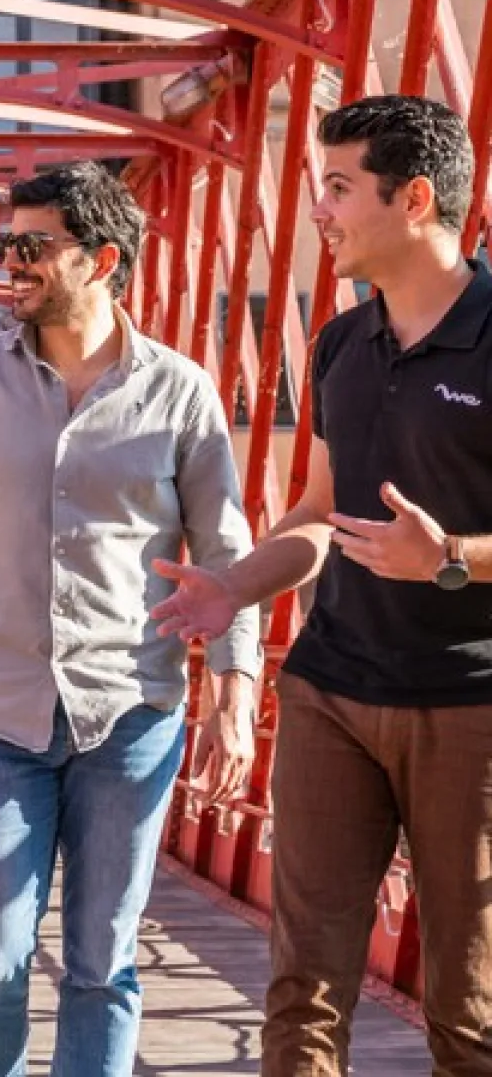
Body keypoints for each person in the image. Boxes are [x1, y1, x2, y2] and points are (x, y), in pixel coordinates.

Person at [0, 161, 263, 1077]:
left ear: (101, 260)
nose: (10, 261)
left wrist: (237, 687)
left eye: (32, 245)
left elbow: (227, 551)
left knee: (103, 964)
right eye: (5, 242)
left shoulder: (180, 390)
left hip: (132, 714)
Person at [152, 94, 492, 1077]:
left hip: (471, 704)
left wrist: (451, 555)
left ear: (414, 198)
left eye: (339, 188)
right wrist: (234, 587)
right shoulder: (341, 343)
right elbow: (318, 512)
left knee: (470, 1013)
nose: (318, 211)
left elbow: (442, 550)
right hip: (331, 691)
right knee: (302, 994)